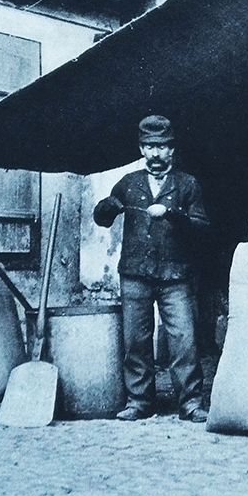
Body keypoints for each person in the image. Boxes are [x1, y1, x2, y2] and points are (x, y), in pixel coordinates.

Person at [93, 115, 210, 422]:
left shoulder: (187, 184)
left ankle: (190, 403)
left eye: (162, 147)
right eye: (149, 147)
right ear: (141, 148)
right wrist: (107, 206)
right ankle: (139, 401)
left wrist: (173, 214)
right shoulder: (129, 183)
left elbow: (202, 227)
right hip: (135, 273)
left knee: (184, 340)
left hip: (176, 276)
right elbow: (101, 218)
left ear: (172, 150)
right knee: (135, 342)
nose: (155, 154)